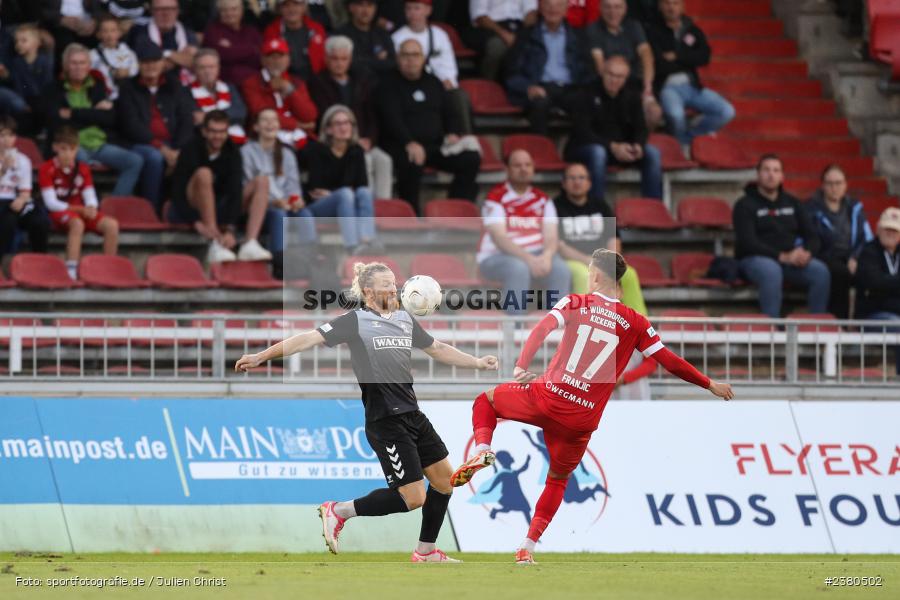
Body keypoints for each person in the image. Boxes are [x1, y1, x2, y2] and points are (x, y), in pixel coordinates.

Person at [450, 248, 733, 563]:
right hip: (582, 419)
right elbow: (669, 361)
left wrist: (521, 365)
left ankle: (483, 448)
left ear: (597, 275)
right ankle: (526, 548)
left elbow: (542, 329)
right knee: (557, 480)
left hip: (547, 397)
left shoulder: (575, 302)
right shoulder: (636, 322)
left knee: (486, 400)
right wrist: (711, 384)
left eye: (588, 272)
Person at [235, 260, 500, 561]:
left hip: (413, 414)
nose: (394, 287)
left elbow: (437, 348)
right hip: (385, 419)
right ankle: (339, 510)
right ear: (369, 290)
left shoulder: (404, 319)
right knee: (413, 498)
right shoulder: (355, 321)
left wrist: (477, 362)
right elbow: (306, 339)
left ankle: (426, 552)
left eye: (394, 281)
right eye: (387, 283)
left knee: (444, 482)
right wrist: (261, 356)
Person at [376, 39, 480, 212]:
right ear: (397, 58)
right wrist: (409, 142)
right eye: (405, 55)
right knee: (412, 162)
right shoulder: (387, 85)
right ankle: (412, 214)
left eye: (415, 55)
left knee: (470, 158)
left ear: (423, 58)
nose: (411, 60)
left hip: (434, 145)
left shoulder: (433, 82)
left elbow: (449, 111)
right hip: (401, 145)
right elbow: (391, 119)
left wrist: (453, 132)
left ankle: (454, 210)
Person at [733, 154, 831, 318]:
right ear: (758, 174)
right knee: (771, 271)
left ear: (782, 176)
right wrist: (782, 256)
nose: (771, 175)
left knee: (820, 271)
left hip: (790, 260)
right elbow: (748, 242)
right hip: (754, 259)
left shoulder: (792, 202)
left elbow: (812, 235)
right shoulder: (744, 205)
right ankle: (773, 331)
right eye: (766, 170)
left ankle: (817, 327)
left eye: (776, 170)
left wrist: (807, 253)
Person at [42, 43, 144, 198]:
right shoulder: (53, 89)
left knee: (134, 161)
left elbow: (110, 119)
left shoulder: (97, 87)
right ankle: (87, 205)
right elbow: (56, 123)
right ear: (65, 66)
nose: (78, 67)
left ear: (89, 65)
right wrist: (93, 114)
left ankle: (113, 205)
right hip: (72, 145)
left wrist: (74, 114)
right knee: (81, 160)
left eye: (82, 63)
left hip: (98, 143)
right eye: (74, 63)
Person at [170, 110, 272, 263]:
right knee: (204, 173)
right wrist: (194, 220)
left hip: (220, 205)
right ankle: (215, 242)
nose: (217, 136)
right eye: (213, 132)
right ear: (204, 131)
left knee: (262, 181)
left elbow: (235, 190)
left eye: (222, 132)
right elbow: (177, 190)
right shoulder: (190, 148)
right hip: (193, 204)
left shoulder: (233, 151)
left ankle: (250, 243)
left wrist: (230, 228)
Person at [477, 149, 571, 314]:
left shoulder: (543, 199)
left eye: (527, 165)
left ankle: (554, 330)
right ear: (507, 170)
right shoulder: (496, 197)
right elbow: (500, 238)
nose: (523, 169)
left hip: (536, 255)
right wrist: (529, 259)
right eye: (517, 165)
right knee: (518, 268)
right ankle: (514, 330)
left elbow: (551, 235)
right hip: (496, 257)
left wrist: (547, 256)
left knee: (561, 270)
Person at [565, 55, 662, 201]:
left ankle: (653, 211)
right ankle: (598, 211)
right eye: (610, 74)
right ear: (603, 72)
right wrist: (612, 146)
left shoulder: (632, 95)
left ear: (625, 78)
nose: (614, 80)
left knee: (652, 153)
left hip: (620, 149)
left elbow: (641, 128)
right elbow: (582, 131)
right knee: (599, 153)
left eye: (620, 77)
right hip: (586, 148)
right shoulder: (585, 92)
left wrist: (638, 145)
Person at [308, 35, 392, 199]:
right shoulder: (318, 82)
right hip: (339, 142)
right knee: (364, 159)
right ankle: (364, 210)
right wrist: (353, 139)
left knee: (384, 160)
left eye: (344, 58)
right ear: (326, 58)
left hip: (364, 139)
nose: (339, 63)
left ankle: (382, 209)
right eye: (335, 59)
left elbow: (371, 114)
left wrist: (370, 139)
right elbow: (326, 118)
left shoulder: (361, 80)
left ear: (350, 59)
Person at [116, 40, 195, 209]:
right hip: (141, 144)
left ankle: (181, 211)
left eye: (154, 61)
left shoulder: (175, 85)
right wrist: (162, 148)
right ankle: (150, 208)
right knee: (154, 157)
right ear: (138, 64)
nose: (150, 66)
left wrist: (177, 150)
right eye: (145, 62)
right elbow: (131, 125)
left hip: (173, 144)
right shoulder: (128, 88)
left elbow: (185, 120)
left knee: (192, 155)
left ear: (163, 64)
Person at [646, 0, 733, 148]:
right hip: (668, 87)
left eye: (675, 3)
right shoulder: (652, 31)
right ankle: (680, 147)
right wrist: (688, 59)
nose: (671, 7)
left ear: (682, 6)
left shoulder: (691, 30)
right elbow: (659, 64)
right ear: (660, 6)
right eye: (667, 3)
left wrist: (677, 56)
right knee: (676, 116)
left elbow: (704, 57)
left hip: (692, 86)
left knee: (726, 111)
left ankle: (685, 140)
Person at [39, 126, 120, 280]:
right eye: (64, 149)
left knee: (112, 225)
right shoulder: (46, 168)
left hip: (80, 211)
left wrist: (92, 207)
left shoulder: (82, 168)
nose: (68, 154)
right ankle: (71, 270)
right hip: (59, 213)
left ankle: (110, 267)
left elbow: (89, 194)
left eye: (72, 149)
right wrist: (81, 209)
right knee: (77, 224)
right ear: (55, 147)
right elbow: (51, 203)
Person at [301, 105, 380, 254]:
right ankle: (352, 246)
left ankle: (367, 240)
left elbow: (361, 185)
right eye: (338, 123)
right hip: (319, 207)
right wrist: (343, 194)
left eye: (347, 122)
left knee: (364, 192)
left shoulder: (356, 151)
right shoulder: (316, 150)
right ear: (328, 129)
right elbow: (316, 189)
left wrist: (339, 194)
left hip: (346, 205)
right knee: (345, 193)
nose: (343, 127)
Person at [241, 108, 315, 264]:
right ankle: (280, 263)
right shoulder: (246, 152)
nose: (270, 124)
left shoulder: (287, 154)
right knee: (278, 214)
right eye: (265, 120)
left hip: (285, 205)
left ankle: (310, 260)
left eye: (274, 120)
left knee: (305, 213)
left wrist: (296, 200)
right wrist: (273, 202)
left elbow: (293, 186)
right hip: (259, 210)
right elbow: (246, 186)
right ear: (256, 127)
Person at [505, 0, 588, 135]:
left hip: (570, 89)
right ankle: (541, 150)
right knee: (539, 104)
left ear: (566, 9)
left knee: (586, 102)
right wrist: (528, 87)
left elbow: (586, 72)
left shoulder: (578, 37)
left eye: (558, 5)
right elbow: (511, 73)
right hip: (540, 87)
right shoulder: (526, 35)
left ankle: (577, 150)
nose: (553, 9)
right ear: (540, 8)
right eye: (548, 4)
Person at [391, 0, 472, 134]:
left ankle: (465, 138)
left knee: (459, 96)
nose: (412, 13)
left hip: (440, 86)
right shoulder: (397, 38)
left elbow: (449, 66)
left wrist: (448, 81)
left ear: (428, 10)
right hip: (412, 87)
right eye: (408, 9)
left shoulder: (440, 35)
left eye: (417, 8)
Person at [806, 165, 873, 319]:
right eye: (830, 183)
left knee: (868, 273)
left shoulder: (855, 208)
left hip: (850, 257)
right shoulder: (810, 209)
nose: (834, 188)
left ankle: (860, 324)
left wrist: (855, 257)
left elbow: (866, 238)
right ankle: (839, 325)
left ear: (845, 185)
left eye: (838, 183)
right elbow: (810, 238)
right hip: (823, 256)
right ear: (822, 185)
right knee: (841, 273)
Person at [586, 0, 662, 128]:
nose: (613, 12)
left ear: (625, 9)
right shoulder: (593, 29)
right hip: (607, 85)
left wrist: (648, 86)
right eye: (608, 7)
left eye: (617, 7)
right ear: (600, 8)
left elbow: (646, 55)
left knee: (654, 112)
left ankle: (641, 144)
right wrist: (615, 84)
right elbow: (600, 65)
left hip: (634, 83)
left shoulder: (634, 26)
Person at [241, 37, 318, 150]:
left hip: (299, 138)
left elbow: (309, 115)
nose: (276, 61)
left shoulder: (296, 82)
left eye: (280, 56)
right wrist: (299, 125)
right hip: (265, 137)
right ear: (263, 60)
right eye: (271, 56)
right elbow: (261, 114)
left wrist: (289, 90)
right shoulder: (252, 83)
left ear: (288, 59)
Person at [855, 207, 900, 375]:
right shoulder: (868, 251)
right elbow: (873, 283)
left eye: (894, 230)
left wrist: (887, 285)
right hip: (871, 316)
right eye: (886, 229)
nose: (890, 233)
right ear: (878, 229)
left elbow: (881, 284)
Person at [0, 116, 49, 262]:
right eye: (2, 135)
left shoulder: (23, 160)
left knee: (39, 220)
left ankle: (40, 262)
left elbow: (25, 191)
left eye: (11, 135)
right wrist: (4, 169)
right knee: (7, 221)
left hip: (14, 201)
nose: (7, 139)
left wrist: (21, 200)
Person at [128, 0, 199, 80]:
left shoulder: (188, 33)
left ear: (178, 11)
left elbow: (193, 63)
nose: (166, 14)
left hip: (183, 85)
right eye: (160, 9)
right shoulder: (139, 33)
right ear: (152, 11)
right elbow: (148, 64)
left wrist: (165, 55)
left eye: (171, 9)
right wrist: (173, 56)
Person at [467, 0, 537, 81]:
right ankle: (488, 84)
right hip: (490, 28)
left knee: (534, 44)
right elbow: (480, 17)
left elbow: (531, 12)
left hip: (519, 27)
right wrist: (504, 34)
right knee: (497, 47)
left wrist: (524, 33)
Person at [189, 48, 248, 144]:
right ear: (195, 69)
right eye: (202, 67)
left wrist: (208, 116)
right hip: (204, 143)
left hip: (236, 142)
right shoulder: (186, 92)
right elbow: (194, 120)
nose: (207, 71)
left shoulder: (229, 87)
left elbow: (240, 113)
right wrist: (227, 116)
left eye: (211, 67)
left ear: (218, 68)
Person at [202, 0, 262, 86]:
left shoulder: (252, 31)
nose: (229, 14)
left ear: (241, 11)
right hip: (226, 84)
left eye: (234, 9)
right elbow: (221, 55)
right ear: (219, 13)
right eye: (224, 10)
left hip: (255, 83)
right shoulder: (212, 32)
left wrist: (232, 49)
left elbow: (260, 57)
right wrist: (251, 49)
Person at [4, 24, 54, 129]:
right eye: (16, 41)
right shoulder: (17, 62)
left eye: (24, 41)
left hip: (41, 99)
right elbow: (18, 85)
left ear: (37, 42)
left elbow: (47, 84)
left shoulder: (45, 61)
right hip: (25, 99)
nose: (19, 44)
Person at [263, 0, 326, 81]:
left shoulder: (317, 28)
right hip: (286, 82)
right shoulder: (271, 31)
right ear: (279, 9)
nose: (291, 9)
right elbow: (270, 63)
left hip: (317, 80)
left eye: (296, 4)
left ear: (303, 7)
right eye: (286, 5)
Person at [335, 0, 396, 76]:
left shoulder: (382, 33)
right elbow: (351, 65)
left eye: (370, 5)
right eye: (360, 4)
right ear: (351, 7)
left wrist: (362, 60)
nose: (365, 10)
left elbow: (392, 63)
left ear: (375, 8)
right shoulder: (341, 34)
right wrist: (378, 60)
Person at [89, 13, 139, 100]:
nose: (109, 35)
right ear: (98, 34)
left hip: (127, 97)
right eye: (105, 31)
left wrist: (127, 72)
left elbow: (136, 70)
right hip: (104, 98)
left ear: (119, 33)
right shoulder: (92, 55)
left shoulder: (128, 52)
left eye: (113, 30)